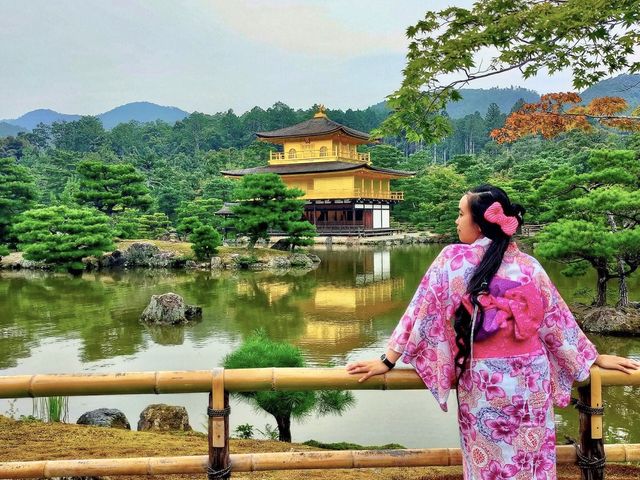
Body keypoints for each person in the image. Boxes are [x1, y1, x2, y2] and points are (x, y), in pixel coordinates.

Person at [346, 184, 640, 480]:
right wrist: (591, 357)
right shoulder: (530, 266)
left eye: (461, 214)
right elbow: (556, 323)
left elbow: (422, 313)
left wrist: (387, 360)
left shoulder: (453, 261)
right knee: (532, 462)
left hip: (485, 384)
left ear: (480, 222)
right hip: (530, 383)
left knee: (488, 464)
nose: (457, 221)